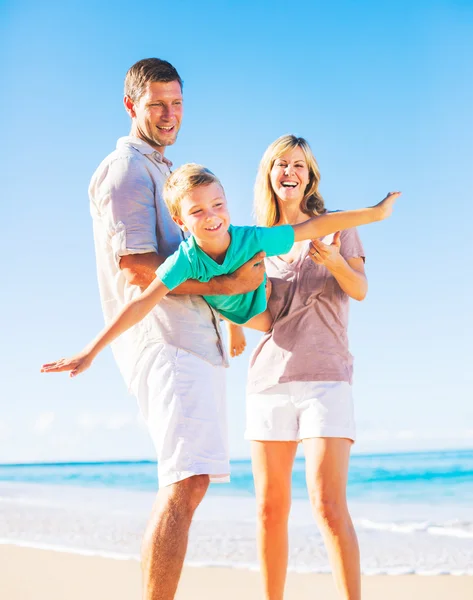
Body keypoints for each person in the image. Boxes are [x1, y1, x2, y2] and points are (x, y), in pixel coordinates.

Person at [43, 58, 269, 600]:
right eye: (156, 105)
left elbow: (190, 260)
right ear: (131, 107)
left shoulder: (168, 174)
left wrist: (229, 320)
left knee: (187, 484)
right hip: (166, 344)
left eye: (177, 104)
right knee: (184, 482)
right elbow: (139, 266)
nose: (169, 115)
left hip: (194, 342)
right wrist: (221, 290)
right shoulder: (125, 170)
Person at [41, 162, 399, 377]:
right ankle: (234, 327)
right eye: (197, 212)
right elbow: (139, 303)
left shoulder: (250, 239)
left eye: (218, 205)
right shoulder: (184, 260)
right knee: (228, 301)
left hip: (262, 303)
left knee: (270, 286)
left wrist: (375, 213)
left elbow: (312, 228)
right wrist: (90, 350)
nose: (212, 217)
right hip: (245, 316)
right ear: (180, 220)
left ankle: (240, 327)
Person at [246, 134, 379, 600]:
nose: (290, 172)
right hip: (269, 382)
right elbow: (263, 318)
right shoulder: (257, 242)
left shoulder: (337, 228)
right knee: (269, 509)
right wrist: (226, 306)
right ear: (269, 174)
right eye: (281, 164)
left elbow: (358, 289)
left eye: (298, 165)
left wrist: (335, 260)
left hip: (326, 379)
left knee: (327, 505)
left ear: (310, 176)